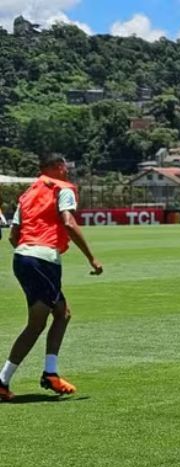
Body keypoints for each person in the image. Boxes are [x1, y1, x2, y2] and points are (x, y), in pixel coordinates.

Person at [0, 154, 103, 402]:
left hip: (23, 257)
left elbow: (14, 236)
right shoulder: (62, 189)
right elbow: (68, 222)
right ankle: (38, 375)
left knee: (58, 315)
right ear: (58, 167)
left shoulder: (27, 195)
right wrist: (92, 257)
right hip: (43, 259)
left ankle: (42, 374)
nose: (67, 170)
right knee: (45, 320)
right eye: (65, 166)